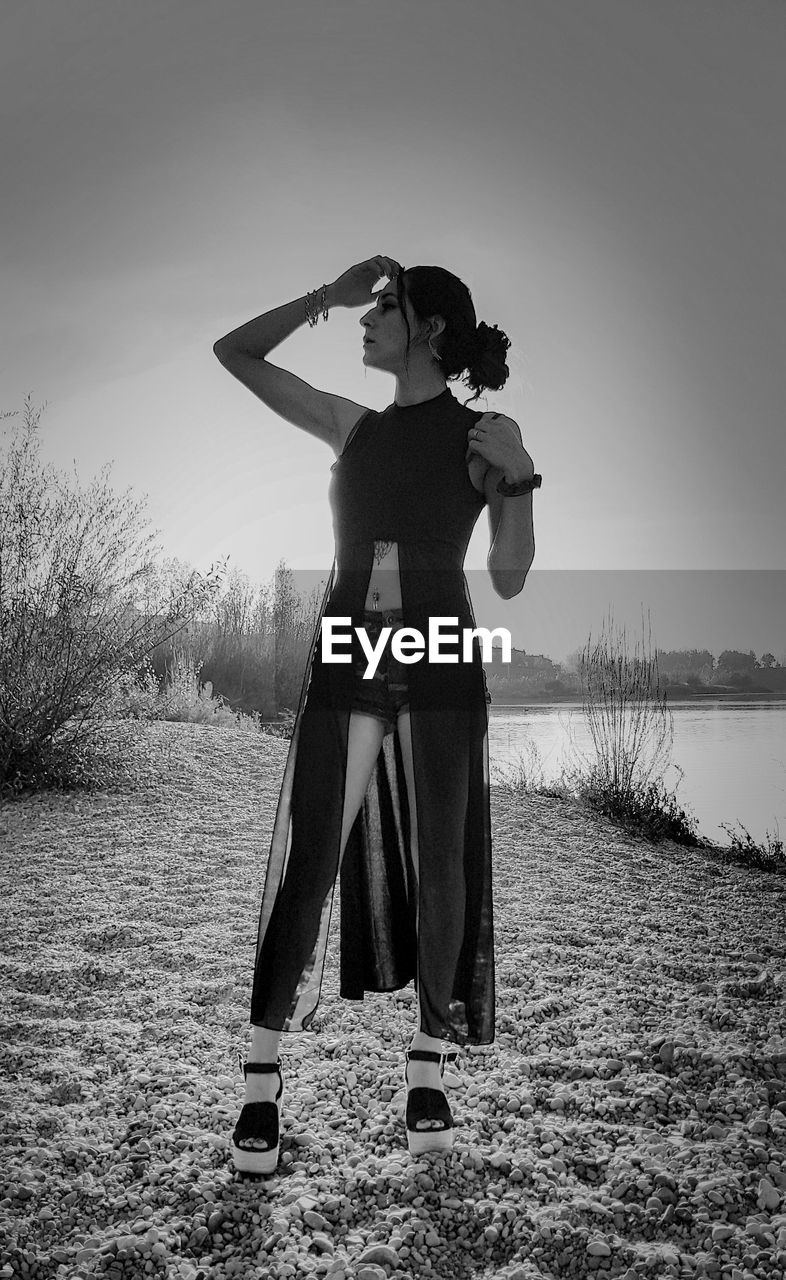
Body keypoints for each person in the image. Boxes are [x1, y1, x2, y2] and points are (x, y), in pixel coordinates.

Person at [213, 256, 539, 1174]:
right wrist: (328, 294)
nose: (367, 321)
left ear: (430, 329)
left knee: (444, 862)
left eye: (384, 310)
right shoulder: (349, 425)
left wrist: (516, 481)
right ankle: (261, 1082)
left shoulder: (486, 430)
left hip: (439, 662)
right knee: (312, 857)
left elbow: (509, 575)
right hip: (350, 656)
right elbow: (234, 352)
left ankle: (427, 1067)